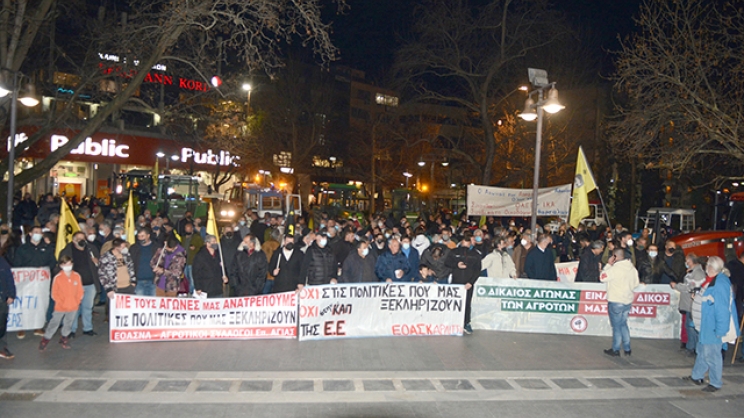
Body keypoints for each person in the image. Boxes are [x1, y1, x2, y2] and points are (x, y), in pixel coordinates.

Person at [687, 256, 739, 392]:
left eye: (707, 266)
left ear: (710, 267)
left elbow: (722, 309)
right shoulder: (711, 280)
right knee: (702, 352)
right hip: (704, 324)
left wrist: (721, 330)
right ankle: (697, 376)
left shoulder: (720, 284)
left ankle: (715, 382)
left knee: (712, 355)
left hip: (712, 326)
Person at [600, 248, 640, 357]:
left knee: (616, 326)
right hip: (627, 300)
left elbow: (602, 277)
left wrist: (608, 265)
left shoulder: (615, 269)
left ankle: (616, 349)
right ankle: (627, 348)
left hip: (616, 300)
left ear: (615, 257)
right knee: (623, 324)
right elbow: (636, 284)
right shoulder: (632, 268)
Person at [38, 256, 84, 351]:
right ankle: (45, 339)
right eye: (65, 264)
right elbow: (54, 293)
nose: (68, 266)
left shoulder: (76, 276)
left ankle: (64, 338)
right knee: (54, 323)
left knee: (68, 323)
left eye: (70, 264)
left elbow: (80, 290)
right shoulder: (58, 278)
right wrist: (61, 302)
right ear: (61, 265)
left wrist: (77, 301)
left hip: (73, 306)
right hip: (60, 306)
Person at [59, 232, 99, 337]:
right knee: (73, 308)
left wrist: (97, 262)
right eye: (78, 238)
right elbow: (60, 267)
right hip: (73, 285)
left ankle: (88, 328)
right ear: (73, 240)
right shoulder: (67, 251)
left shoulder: (91, 249)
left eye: (83, 238)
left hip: (90, 283)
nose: (81, 241)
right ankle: (71, 330)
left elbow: (100, 264)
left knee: (88, 307)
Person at [445, 231, 481, 335]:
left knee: (467, 304)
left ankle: (466, 323)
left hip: (468, 283)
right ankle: (452, 322)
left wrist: (471, 282)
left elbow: (477, 270)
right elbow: (447, 262)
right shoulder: (454, 252)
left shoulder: (475, 254)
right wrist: (456, 265)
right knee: (454, 303)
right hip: (456, 282)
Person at [671, 253, 706, 355]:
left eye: (687, 260)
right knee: (689, 326)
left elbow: (691, 287)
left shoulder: (698, 273)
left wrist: (676, 286)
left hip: (692, 304)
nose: (685, 263)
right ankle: (691, 347)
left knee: (691, 328)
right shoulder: (692, 271)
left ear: (690, 261)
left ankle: (692, 348)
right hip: (688, 303)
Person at [131, 227, 157, 296]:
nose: (140, 238)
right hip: (139, 281)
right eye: (139, 236)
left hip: (153, 281)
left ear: (148, 236)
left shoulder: (156, 247)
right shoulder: (134, 248)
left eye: (142, 236)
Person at [0, 250, 16, 359]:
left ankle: (2, 347)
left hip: (2, 298)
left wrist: (11, 294)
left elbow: (9, 279)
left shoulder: (2, 262)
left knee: (2, 324)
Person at [181, 222, 203, 297]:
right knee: (185, 278)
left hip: (192, 261)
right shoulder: (183, 238)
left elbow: (202, 247)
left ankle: (192, 292)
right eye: (186, 229)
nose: (187, 230)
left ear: (192, 229)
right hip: (184, 261)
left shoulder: (197, 237)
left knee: (192, 278)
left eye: (189, 229)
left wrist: (195, 248)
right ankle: (187, 291)